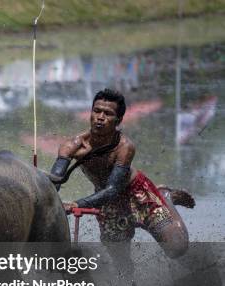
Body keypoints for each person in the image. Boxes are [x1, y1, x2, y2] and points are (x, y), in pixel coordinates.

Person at [49, 88, 194, 267]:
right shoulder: (72, 145)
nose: (100, 117)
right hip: (108, 205)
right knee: (122, 265)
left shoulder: (124, 146)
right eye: (96, 111)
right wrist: (49, 202)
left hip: (139, 194)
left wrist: (77, 205)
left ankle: (165, 196)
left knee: (177, 248)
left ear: (118, 120)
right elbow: (55, 180)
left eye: (108, 114)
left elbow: (113, 189)